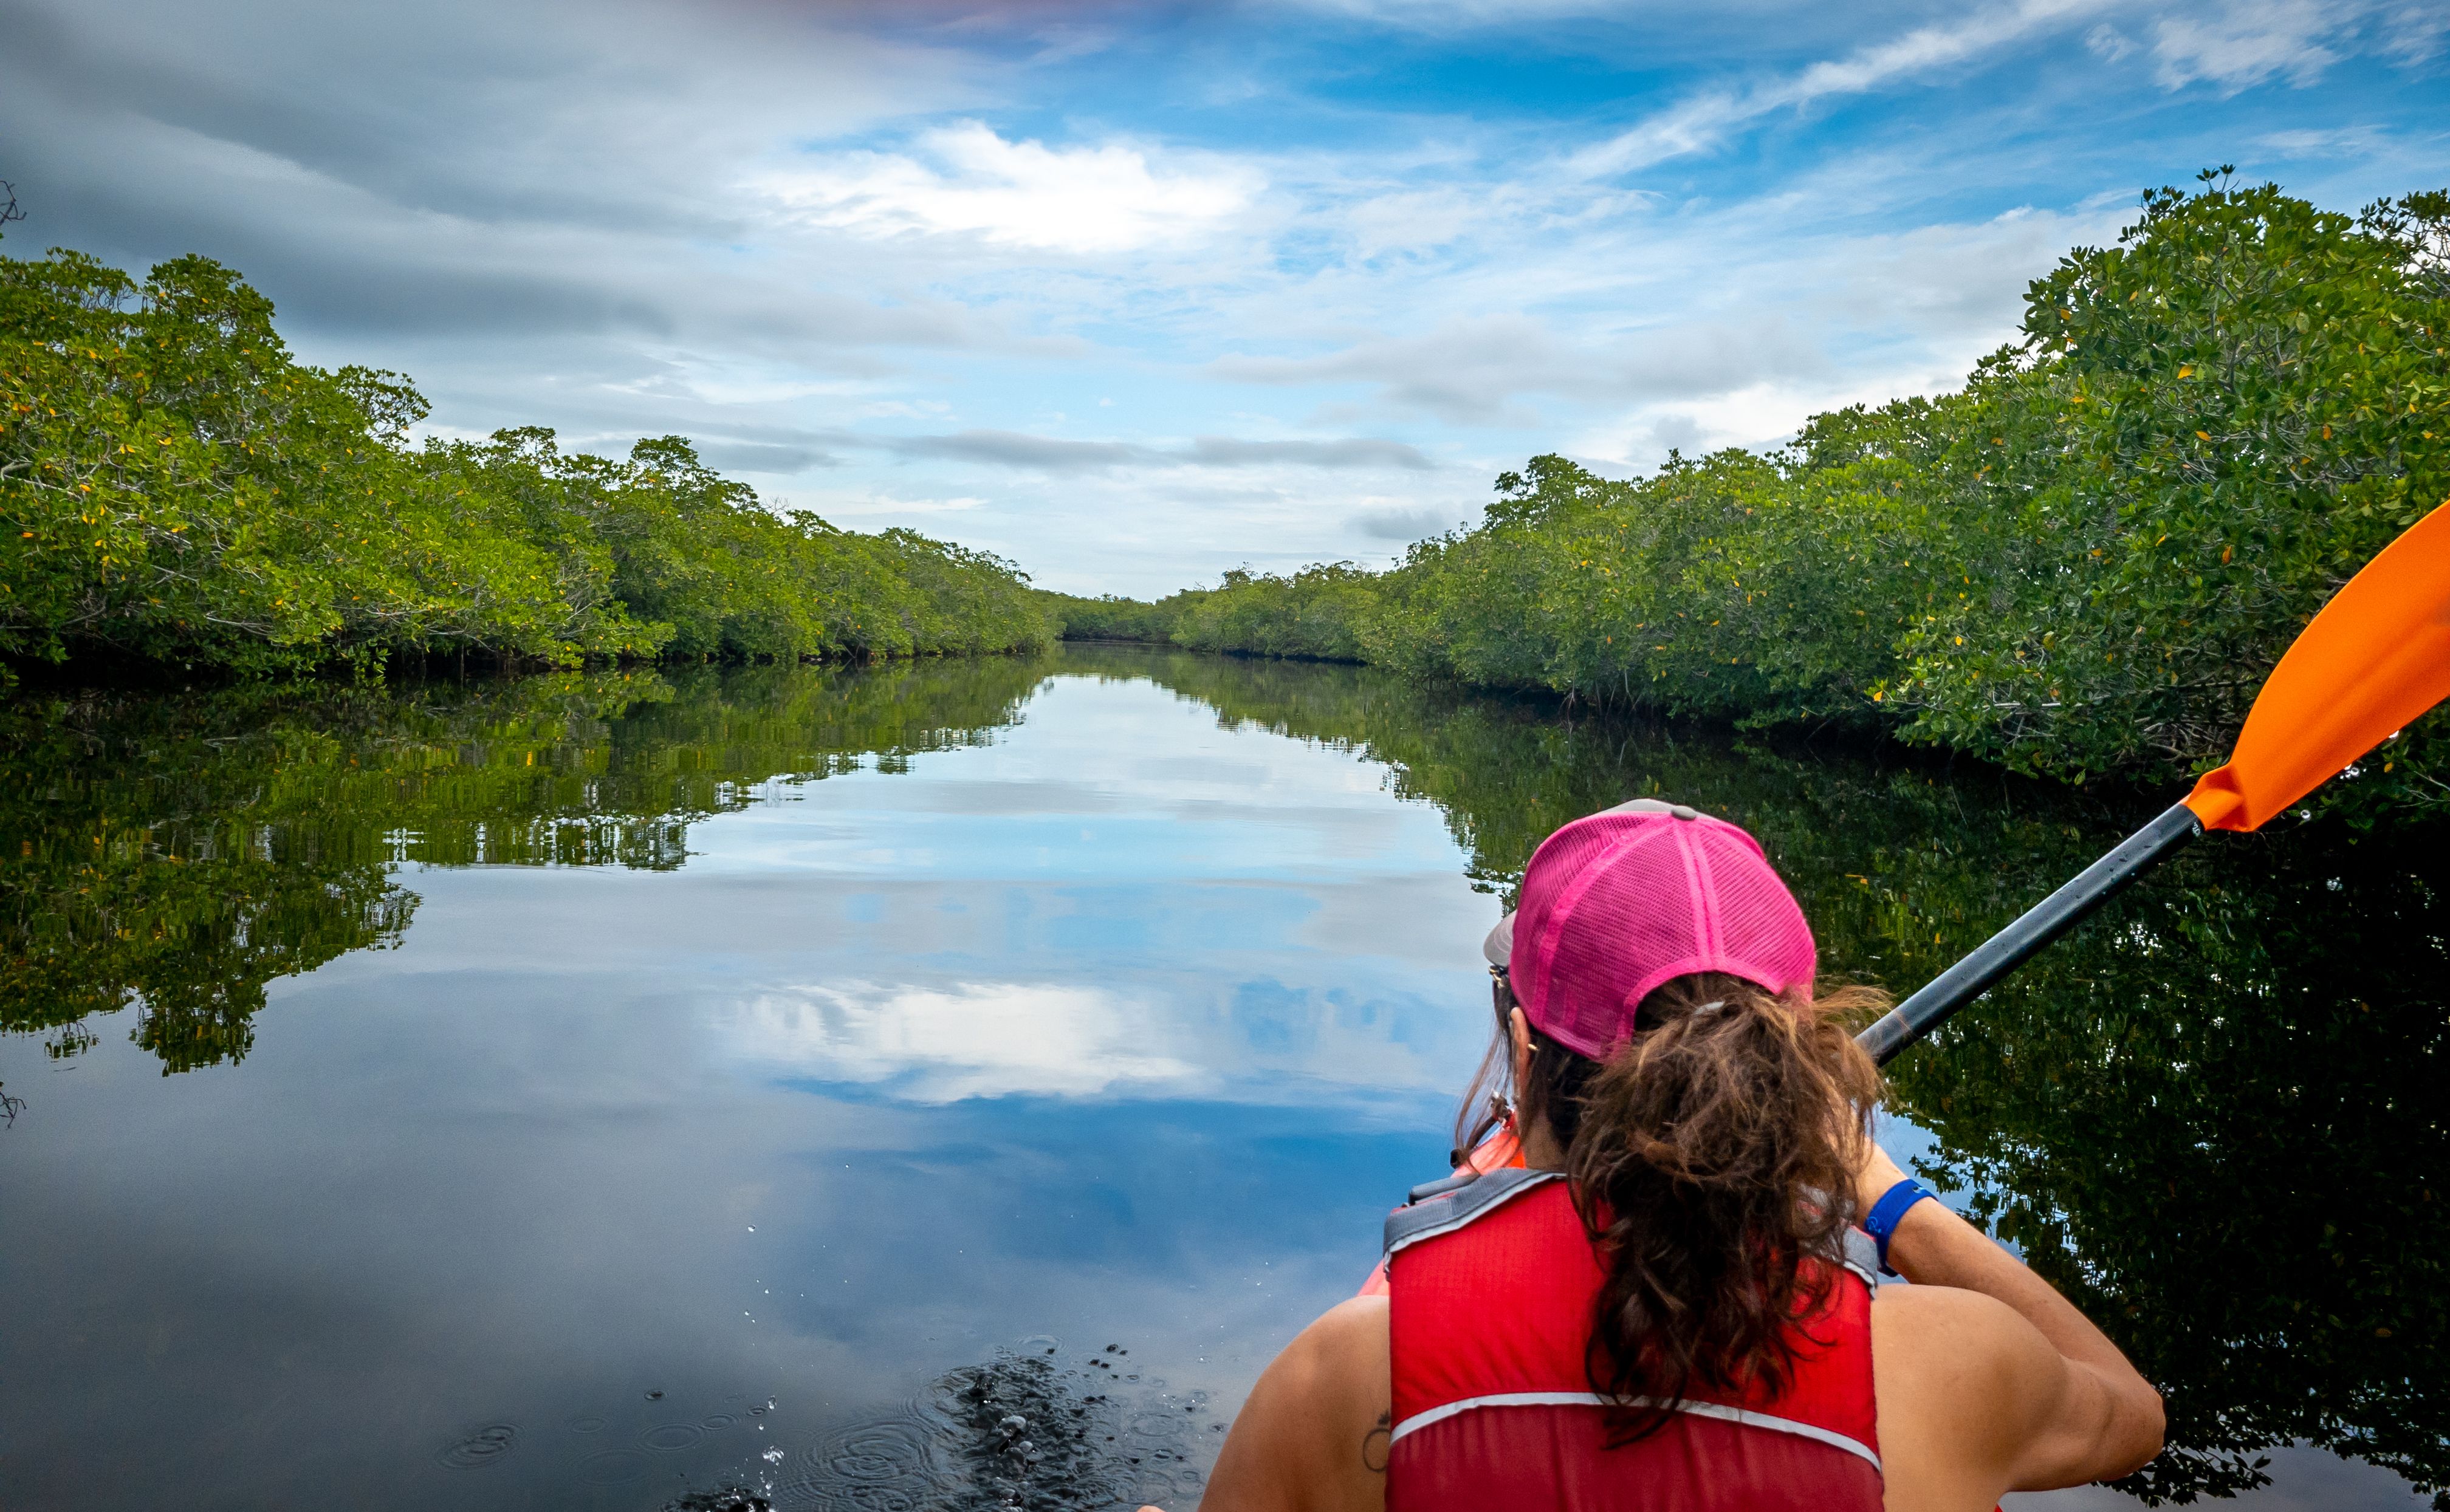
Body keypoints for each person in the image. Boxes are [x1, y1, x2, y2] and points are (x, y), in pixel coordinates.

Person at [1154, 799, 2164, 1512]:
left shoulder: (1342, 1377)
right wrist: (1884, 1195)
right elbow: (2132, 1415)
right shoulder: (1952, 1366)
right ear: (1794, 1079)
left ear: (1522, 1053)